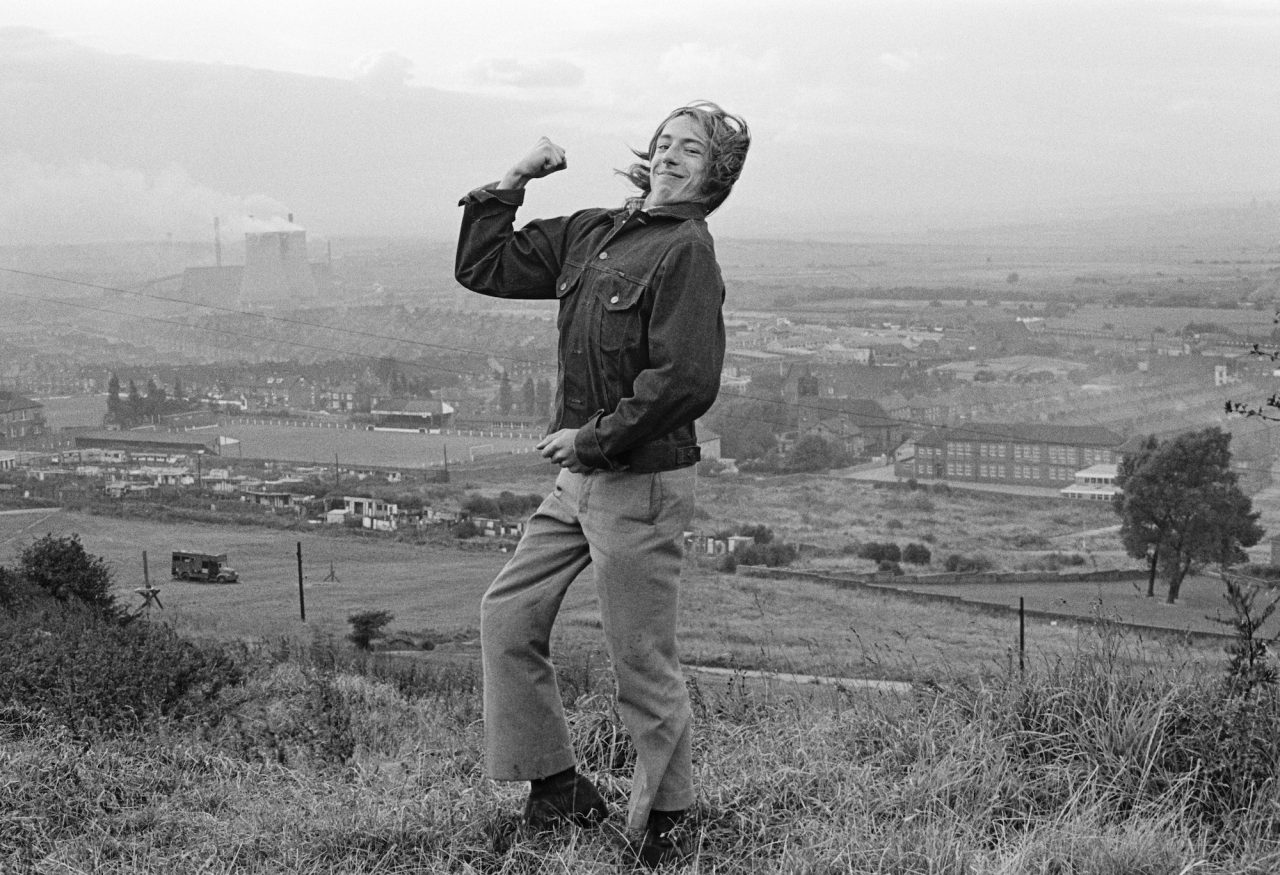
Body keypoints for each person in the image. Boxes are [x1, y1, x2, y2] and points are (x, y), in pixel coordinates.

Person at [454, 100, 749, 868]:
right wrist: (514, 179)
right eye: (664, 141)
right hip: (578, 481)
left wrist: (589, 438)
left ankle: (668, 821)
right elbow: (484, 266)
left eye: (691, 149)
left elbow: (685, 380)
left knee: (640, 657)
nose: (670, 154)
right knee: (508, 615)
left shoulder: (686, 251)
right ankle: (555, 785)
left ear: (715, 175)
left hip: (639, 482)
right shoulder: (592, 231)